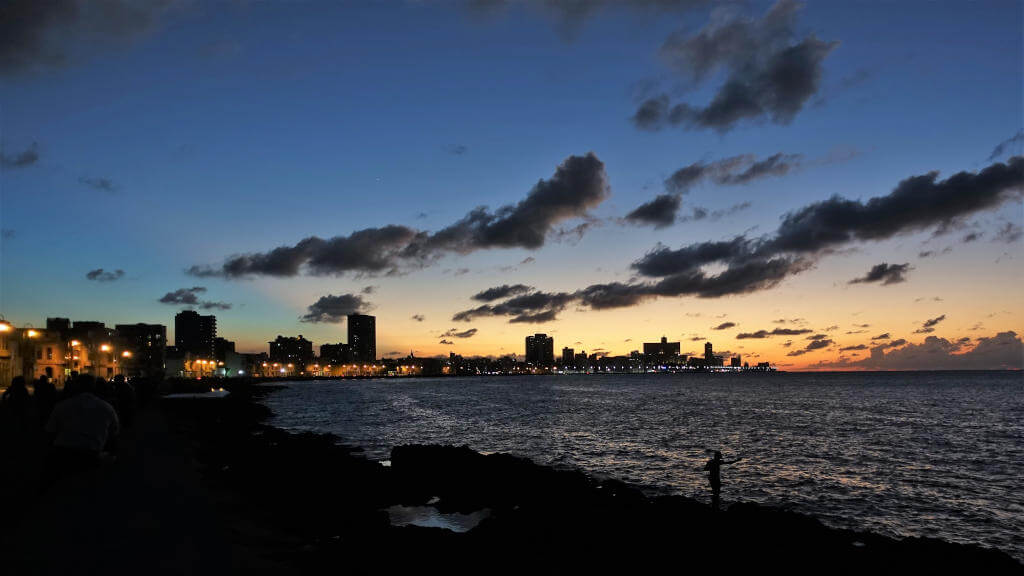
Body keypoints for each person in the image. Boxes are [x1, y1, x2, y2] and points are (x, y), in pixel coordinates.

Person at [41, 375, 120, 489]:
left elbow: (50, 431)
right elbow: (114, 432)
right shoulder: (106, 407)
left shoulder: (62, 406)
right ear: (94, 387)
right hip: (92, 453)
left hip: (63, 452)